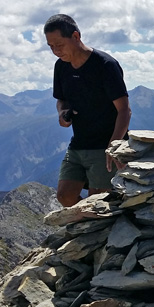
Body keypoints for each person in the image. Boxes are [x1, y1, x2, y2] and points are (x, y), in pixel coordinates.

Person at [45, 14, 131, 207]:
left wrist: (114, 145)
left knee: (97, 201)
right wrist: (62, 113)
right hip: (78, 144)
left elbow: (124, 110)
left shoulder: (105, 65)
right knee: (65, 196)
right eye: (50, 46)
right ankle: (87, 228)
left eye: (59, 44)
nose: (55, 51)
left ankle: (98, 231)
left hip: (104, 146)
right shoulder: (61, 67)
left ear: (76, 36)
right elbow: (62, 99)